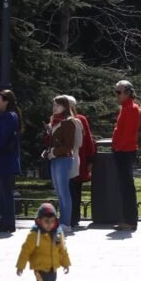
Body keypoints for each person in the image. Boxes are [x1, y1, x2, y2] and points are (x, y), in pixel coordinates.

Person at [15, 203, 70, 281]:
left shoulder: (57, 234)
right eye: (46, 221)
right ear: (39, 221)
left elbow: (62, 250)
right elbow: (25, 251)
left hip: (53, 269)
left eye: (52, 221)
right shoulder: (34, 235)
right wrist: (20, 266)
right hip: (40, 269)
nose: (50, 224)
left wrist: (66, 263)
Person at [43, 96, 80, 232]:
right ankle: (63, 221)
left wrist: (54, 151)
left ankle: (66, 223)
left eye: (58, 105)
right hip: (55, 158)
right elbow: (53, 142)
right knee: (59, 192)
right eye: (54, 105)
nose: (55, 107)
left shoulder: (68, 122)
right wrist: (48, 152)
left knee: (64, 191)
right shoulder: (55, 121)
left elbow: (68, 146)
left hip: (64, 159)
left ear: (65, 106)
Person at [0, 90, 22, 233]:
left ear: (6, 101)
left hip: (4, 160)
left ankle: (8, 222)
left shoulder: (8, 117)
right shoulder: (8, 116)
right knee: (4, 193)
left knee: (5, 192)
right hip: (4, 159)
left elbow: (1, 139)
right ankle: (6, 221)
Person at [111, 80, 140, 231]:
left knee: (127, 186)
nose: (116, 95)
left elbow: (128, 133)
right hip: (122, 150)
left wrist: (118, 148)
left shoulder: (131, 108)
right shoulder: (125, 108)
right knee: (124, 186)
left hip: (125, 151)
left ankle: (130, 220)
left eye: (119, 92)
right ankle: (128, 218)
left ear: (128, 92)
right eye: (115, 91)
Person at [65, 96, 95, 230]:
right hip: (77, 159)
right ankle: (73, 216)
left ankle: (72, 216)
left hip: (77, 159)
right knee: (74, 188)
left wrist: (89, 159)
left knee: (73, 187)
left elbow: (88, 140)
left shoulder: (79, 119)